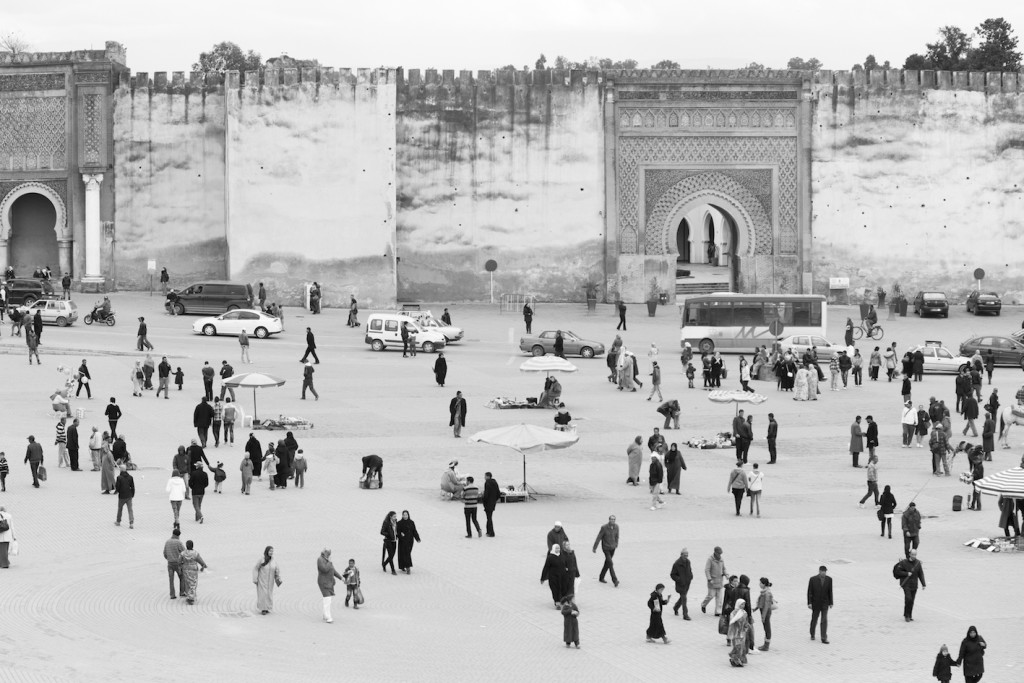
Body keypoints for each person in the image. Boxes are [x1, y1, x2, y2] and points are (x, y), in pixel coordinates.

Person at [895, 548, 926, 622]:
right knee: (908, 599)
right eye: (912, 554)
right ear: (909, 554)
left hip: (914, 584)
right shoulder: (904, 562)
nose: (914, 556)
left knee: (912, 600)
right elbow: (898, 571)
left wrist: (923, 584)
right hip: (906, 584)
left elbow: (920, 574)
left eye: (915, 555)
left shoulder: (918, 563)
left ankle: (910, 615)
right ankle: (906, 615)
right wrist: (906, 573)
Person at [317, 548, 344, 623]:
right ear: (324, 552)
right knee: (327, 599)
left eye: (329, 553)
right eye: (328, 553)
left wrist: (341, 578)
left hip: (329, 582)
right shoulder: (320, 560)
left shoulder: (327, 560)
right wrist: (329, 562)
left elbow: (333, 570)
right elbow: (324, 569)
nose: (329, 555)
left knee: (327, 599)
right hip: (323, 582)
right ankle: (328, 616)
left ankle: (325, 614)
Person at [807, 565, 833, 643]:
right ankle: (812, 633)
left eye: (825, 572)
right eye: (823, 572)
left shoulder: (829, 579)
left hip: (825, 603)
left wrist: (831, 602)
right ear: (819, 571)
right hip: (816, 603)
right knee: (814, 619)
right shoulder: (813, 579)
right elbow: (809, 592)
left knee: (824, 620)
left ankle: (823, 637)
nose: (824, 573)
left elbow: (830, 591)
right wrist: (809, 602)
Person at [253, 546, 282, 614]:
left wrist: (278, 578)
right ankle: (263, 609)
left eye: (272, 551)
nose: (271, 552)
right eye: (270, 551)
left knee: (269, 594)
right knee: (263, 595)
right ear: (266, 551)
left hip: (270, 582)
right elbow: (255, 568)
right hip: (262, 581)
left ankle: (267, 608)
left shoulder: (274, 561)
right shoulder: (261, 560)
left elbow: (277, 570)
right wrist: (255, 578)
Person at [593, 515, 620, 587]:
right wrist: (594, 547)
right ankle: (615, 580)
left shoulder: (616, 527)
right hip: (606, 548)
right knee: (610, 563)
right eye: (611, 519)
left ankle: (601, 577)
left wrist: (616, 544)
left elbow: (617, 536)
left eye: (614, 519)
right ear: (609, 520)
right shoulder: (604, 527)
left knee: (607, 563)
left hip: (612, 548)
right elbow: (599, 537)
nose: (612, 521)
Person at [179, 539, 208, 605]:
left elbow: (179, 561)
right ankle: (191, 597)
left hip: (185, 569)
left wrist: (180, 567)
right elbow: (200, 560)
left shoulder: (183, 553)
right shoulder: (195, 553)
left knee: (187, 583)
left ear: (186, 546)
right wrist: (203, 565)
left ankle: (188, 595)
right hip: (193, 569)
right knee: (193, 583)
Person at [700, 546, 727, 616]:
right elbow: (707, 570)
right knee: (710, 596)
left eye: (721, 554)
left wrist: (726, 574)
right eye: (719, 553)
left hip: (720, 581)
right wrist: (709, 579)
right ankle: (703, 604)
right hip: (712, 581)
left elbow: (724, 568)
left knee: (719, 598)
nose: (720, 555)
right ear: (715, 552)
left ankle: (717, 611)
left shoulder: (721, 560)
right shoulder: (710, 559)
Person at [669, 548, 692, 619]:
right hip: (680, 585)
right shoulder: (676, 564)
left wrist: (690, 576)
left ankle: (675, 607)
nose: (686, 557)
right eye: (685, 555)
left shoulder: (688, 562)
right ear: (681, 555)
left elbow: (690, 570)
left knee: (682, 598)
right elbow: (672, 574)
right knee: (684, 599)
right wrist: (679, 579)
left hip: (687, 583)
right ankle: (685, 615)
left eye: (687, 555)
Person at [163, 527, 185, 599]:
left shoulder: (167, 542)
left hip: (170, 564)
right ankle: (182, 592)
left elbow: (164, 553)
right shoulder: (178, 542)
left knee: (171, 580)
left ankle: (172, 595)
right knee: (182, 577)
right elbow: (184, 552)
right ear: (178, 535)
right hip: (178, 564)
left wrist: (168, 558)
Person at [727, 598, 750, 667]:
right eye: (741, 604)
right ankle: (735, 659)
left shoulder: (744, 612)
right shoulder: (733, 613)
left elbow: (746, 622)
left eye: (744, 604)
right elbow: (732, 622)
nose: (743, 605)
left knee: (742, 646)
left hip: (742, 632)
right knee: (737, 646)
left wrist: (746, 627)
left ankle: (741, 659)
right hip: (736, 632)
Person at [753, 577, 774, 651]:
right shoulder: (764, 592)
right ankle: (765, 644)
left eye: (760, 583)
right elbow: (760, 603)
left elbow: (766, 606)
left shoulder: (767, 593)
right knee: (766, 627)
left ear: (764, 584)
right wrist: (755, 609)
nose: (759, 584)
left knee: (767, 628)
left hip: (766, 612)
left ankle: (766, 645)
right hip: (763, 612)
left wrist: (763, 616)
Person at [113, 464, 135, 528]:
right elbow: (133, 487)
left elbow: (117, 487)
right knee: (130, 510)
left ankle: (118, 521)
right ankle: (131, 523)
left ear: (121, 470)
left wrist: (119, 491)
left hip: (122, 496)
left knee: (120, 509)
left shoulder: (119, 478)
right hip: (129, 496)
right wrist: (132, 494)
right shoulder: (130, 477)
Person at [481, 472, 500, 536]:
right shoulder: (495, 482)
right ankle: (488, 531)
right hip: (493, 502)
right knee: (489, 517)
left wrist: (483, 500)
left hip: (488, 502)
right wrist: (495, 499)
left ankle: (491, 532)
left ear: (488, 476)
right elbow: (498, 493)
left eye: (485, 476)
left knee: (489, 517)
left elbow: (486, 494)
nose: (484, 477)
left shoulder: (487, 483)